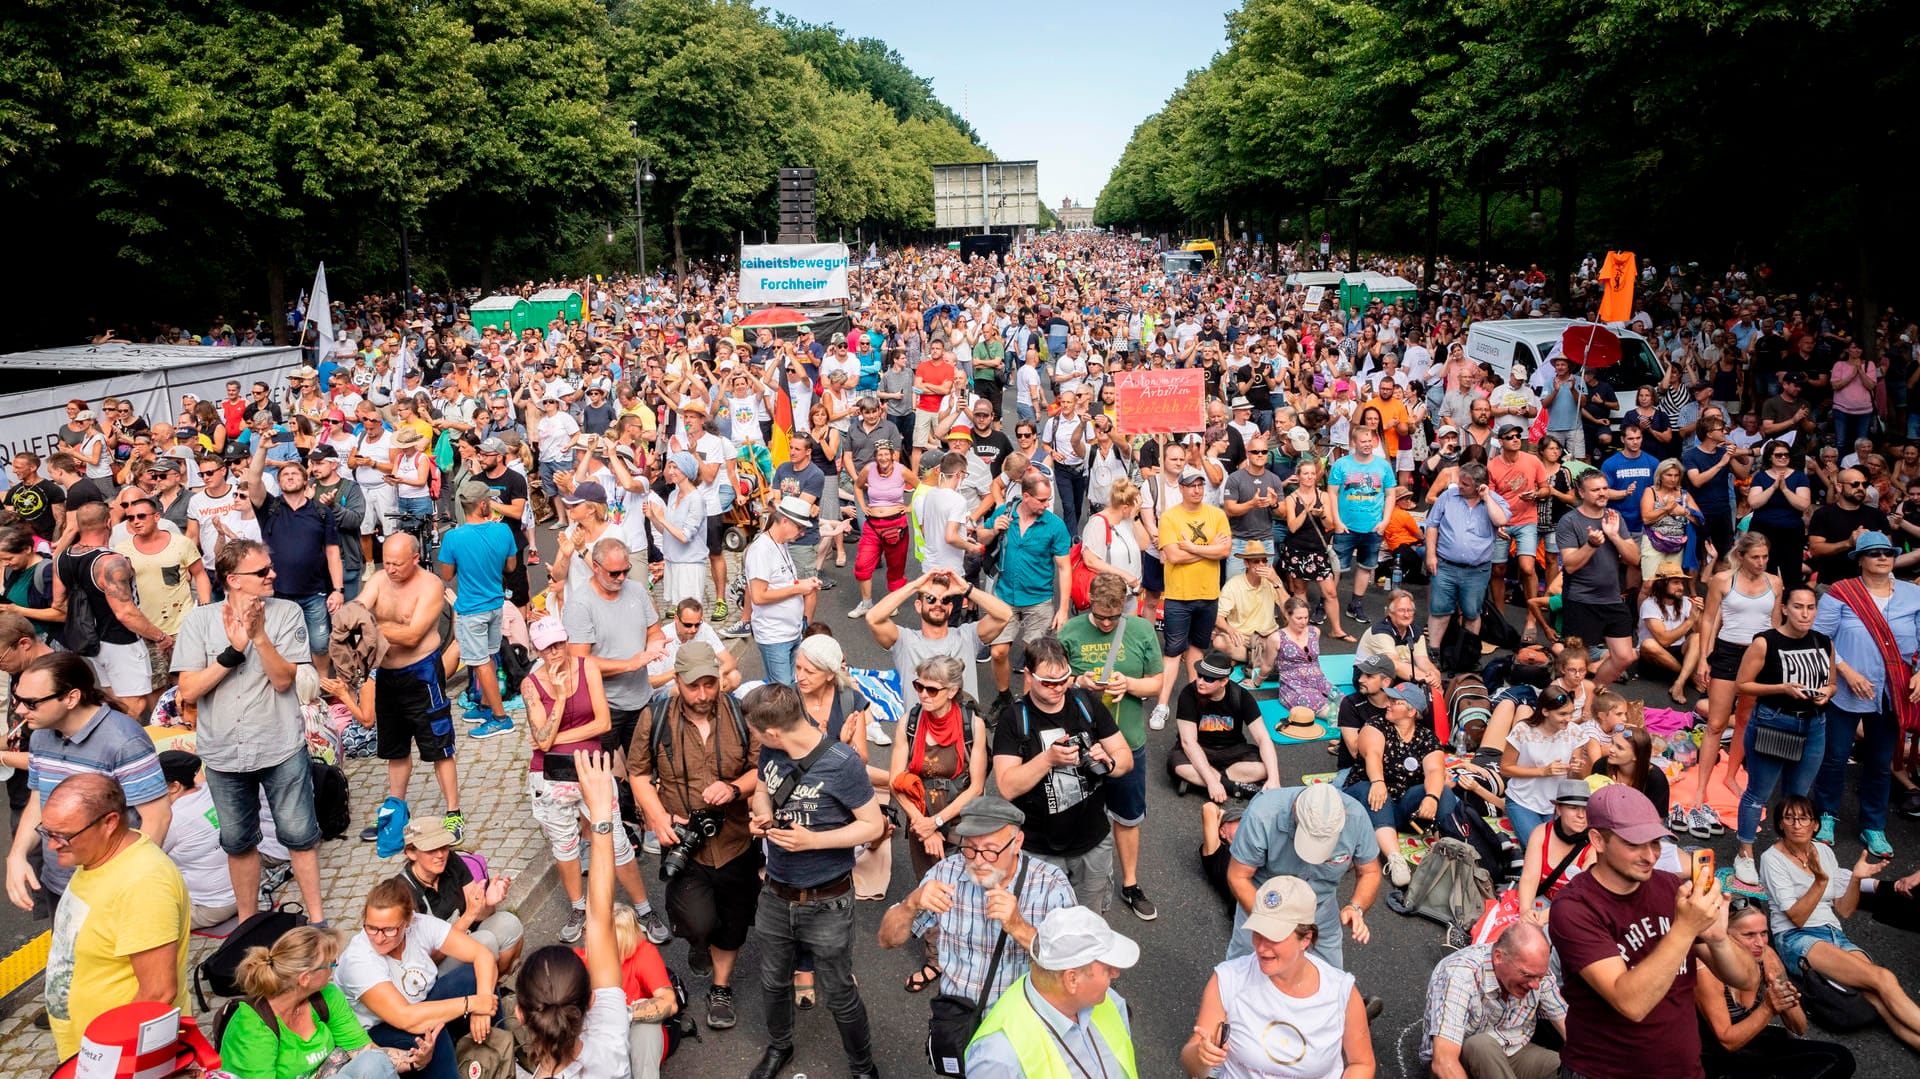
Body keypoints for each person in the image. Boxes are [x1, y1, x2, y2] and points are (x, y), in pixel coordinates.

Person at [1547, 784, 1758, 1079]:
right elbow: (1631, 1004)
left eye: (1656, 842)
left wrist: (1719, 938)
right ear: (1598, 840)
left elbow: (1748, 979)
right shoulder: (1574, 908)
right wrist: (1685, 928)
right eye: (1634, 844)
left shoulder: (1669, 887)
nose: (1651, 855)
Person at [171, 539, 326, 922]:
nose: (272, 574)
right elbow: (188, 690)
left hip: (279, 745)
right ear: (234, 580)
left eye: (269, 567)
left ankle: (318, 918)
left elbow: (283, 682)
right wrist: (231, 653)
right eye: (262, 572)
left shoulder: (287, 612)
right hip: (223, 753)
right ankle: (247, 923)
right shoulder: (199, 621)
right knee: (238, 843)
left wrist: (258, 637)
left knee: (300, 837)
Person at [742, 682, 886, 1079]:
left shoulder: (842, 763)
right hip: (775, 892)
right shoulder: (773, 749)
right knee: (773, 983)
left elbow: (874, 826)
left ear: (773, 730)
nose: (754, 738)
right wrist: (762, 814)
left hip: (828, 901)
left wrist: (813, 841)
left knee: (839, 992)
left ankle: (863, 1067)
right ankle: (780, 1047)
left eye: (754, 732)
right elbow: (761, 789)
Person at [627, 641, 758, 1030]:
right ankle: (699, 941)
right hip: (685, 841)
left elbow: (759, 769)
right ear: (678, 681)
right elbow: (637, 772)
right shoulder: (656, 717)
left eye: (709, 685)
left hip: (735, 839)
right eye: (693, 687)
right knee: (698, 920)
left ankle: (721, 987)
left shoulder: (739, 713)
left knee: (734, 923)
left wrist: (734, 789)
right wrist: (657, 816)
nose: (702, 695)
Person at [4, 654, 171, 917]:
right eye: (17, 700)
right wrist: (16, 855)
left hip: (112, 889)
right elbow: (39, 799)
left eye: (31, 703)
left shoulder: (123, 741)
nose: (21, 711)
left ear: (71, 698)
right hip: (59, 883)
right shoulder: (40, 737)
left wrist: (123, 883)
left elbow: (157, 819)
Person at [39, 773, 191, 1062]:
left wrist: (105, 1061)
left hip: (116, 1057)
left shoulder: (143, 883)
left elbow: (158, 992)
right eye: (47, 832)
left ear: (109, 823)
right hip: (88, 1048)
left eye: (63, 836)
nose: (52, 846)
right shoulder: (96, 858)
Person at [876, 794, 1077, 1005]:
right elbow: (887, 940)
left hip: (1017, 1017)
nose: (978, 861)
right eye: (970, 848)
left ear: (1017, 843)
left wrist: (1019, 927)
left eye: (991, 851)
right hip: (957, 1012)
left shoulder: (1051, 887)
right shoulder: (946, 873)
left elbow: (1074, 969)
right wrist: (910, 904)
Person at [506, 750, 632, 1079]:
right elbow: (601, 918)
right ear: (591, 1000)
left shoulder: (606, 1024)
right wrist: (601, 815)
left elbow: (599, 920)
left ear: (520, 1014)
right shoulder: (609, 1037)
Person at [1758, 794, 1920, 1050]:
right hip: (1797, 937)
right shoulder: (1772, 858)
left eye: (1803, 818)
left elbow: (1843, 910)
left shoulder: (1824, 851)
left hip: (1835, 934)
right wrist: (1820, 881)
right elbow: (1797, 918)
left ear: (1815, 825)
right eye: (1789, 818)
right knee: (1883, 978)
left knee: (1876, 996)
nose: (1796, 824)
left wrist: (1855, 878)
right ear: (1780, 825)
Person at [991, 636, 1134, 913]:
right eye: (1049, 682)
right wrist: (1047, 759)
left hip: (1092, 843)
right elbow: (1007, 787)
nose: (1059, 688)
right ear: (1029, 677)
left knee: (1089, 924)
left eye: (1065, 679)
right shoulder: (1014, 718)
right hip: (1037, 848)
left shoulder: (1084, 702)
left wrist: (1111, 761)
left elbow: (1125, 757)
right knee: (1039, 924)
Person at [1184, 875, 1374, 1079]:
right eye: (1258, 932)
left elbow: (1361, 1063)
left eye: (1274, 936)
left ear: (1306, 939)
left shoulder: (1340, 992)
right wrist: (1201, 1056)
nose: (1262, 947)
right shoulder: (1228, 979)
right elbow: (1192, 1062)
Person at [1057, 571, 1165, 922]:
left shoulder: (1141, 629)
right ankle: (1071, 881)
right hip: (1079, 745)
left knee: (1127, 817)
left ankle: (1130, 883)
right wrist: (1079, 682)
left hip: (1127, 743)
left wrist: (1130, 684)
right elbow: (1051, 683)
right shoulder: (1070, 631)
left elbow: (1157, 683)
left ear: (1124, 609)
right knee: (1073, 813)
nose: (1105, 623)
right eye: (1100, 616)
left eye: (1113, 617)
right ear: (1088, 602)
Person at [1811, 531, 1920, 858]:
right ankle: (1826, 816)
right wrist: (1846, 671)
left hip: (1894, 691)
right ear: (1860, 559)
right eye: (1873, 553)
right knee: (1835, 756)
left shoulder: (1912, 595)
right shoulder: (1841, 593)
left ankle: (1873, 825)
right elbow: (1820, 638)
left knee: (1880, 760)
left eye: (1887, 552)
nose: (1883, 558)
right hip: (1847, 690)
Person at [335, 876, 502, 1079]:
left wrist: (482, 1007)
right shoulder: (358, 960)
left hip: (421, 1005)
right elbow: (406, 1018)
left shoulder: (419, 924)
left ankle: (502, 1055)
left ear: (407, 921)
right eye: (371, 927)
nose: (379, 938)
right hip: (381, 1031)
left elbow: (481, 954)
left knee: (472, 977)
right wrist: (472, 1003)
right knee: (429, 1031)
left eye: (389, 929)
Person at [356, 533, 462, 839]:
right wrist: (351, 614)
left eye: (397, 564)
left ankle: (453, 813)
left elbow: (413, 635)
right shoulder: (378, 579)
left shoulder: (430, 585)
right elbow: (359, 607)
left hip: (422, 674)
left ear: (415, 559)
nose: (390, 569)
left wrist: (370, 626)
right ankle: (396, 810)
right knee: (395, 749)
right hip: (387, 675)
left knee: (439, 747)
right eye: (386, 562)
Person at [1728, 586, 1834, 887]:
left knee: (1798, 797)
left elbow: (1833, 684)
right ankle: (1745, 852)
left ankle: (1788, 852)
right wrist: (1782, 688)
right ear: (1785, 608)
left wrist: (1827, 693)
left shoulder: (1823, 642)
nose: (1805, 613)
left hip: (1813, 724)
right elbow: (1743, 685)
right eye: (1798, 607)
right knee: (1758, 793)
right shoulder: (1766, 642)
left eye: (1811, 607)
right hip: (1774, 722)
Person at [219, 924, 420, 1079]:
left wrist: (413, 1060)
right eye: (331, 964)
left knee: (373, 1061)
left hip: (334, 1073)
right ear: (305, 978)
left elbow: (362, 1050)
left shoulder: (326, 996)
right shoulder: (252, 1027)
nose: (334, 968)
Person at [965, 905, 1139, 1079]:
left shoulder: (1111, 1001)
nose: (1116, 973)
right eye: (1108, 969)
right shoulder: (998, 1058)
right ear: (1072, 979)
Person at [1695, 896, 1856, 1079]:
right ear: (1724, 936)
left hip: (1754, 1043)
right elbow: (1727, 1042)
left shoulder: (1765, 955)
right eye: (1749, 935)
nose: (1760, 943)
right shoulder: (1706, 970)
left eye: (1763, 933)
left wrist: (1784, 995)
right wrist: (1768, 1008)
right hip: (1717, 1057)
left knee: (1839, 1058)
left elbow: (1799, 1028)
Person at [1226, 783, 1382, 967]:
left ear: (1344, 817)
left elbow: (1370, 872)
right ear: (1294, 809)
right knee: (1245, 973)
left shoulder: (1357, 817)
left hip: (1320, 906)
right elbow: (1238, 876)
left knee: (1328, 977)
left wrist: (1355, 907)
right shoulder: (1262, 813)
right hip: (1265, 902)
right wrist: (1269, 922)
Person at [562, 536, 668, 779]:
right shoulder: (580, 604)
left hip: (641, 700)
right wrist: (630, 664)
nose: (621, 578)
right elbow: (580, 662)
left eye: (625, 570)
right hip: (604, 706)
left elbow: (654, 630)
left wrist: (655, 645)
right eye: (614, 573)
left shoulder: (637, 590)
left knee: (644, 770)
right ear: (596, 567)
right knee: (607, 775)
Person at [53, 502, 168, 718]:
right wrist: (159, 636)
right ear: (108, 523)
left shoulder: (62, 558)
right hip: (121, 641)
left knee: (113, 701)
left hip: (91, 643)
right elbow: (125, 613)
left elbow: (58, 603)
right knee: (134, 705)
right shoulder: (111, 562)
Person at [247, 433, 345, 679]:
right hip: (278, 593)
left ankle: (322, 684)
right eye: (284, 475)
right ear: (279, 483)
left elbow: (332, 552)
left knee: (321, 644)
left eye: (295, 474)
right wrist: (261, 449)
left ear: (306, 479)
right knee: (281, 644)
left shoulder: (322, 512)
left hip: (315, 593)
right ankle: (288, 687)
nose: (289, 477)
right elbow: (254, 479)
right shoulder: (269, 508)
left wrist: (338, 590)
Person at [1344, 682, 1456, 887]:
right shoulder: (1375, 724)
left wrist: (1432, 797)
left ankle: (1448, 853)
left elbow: (1434, 770)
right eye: (1390, 700)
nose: (1389, 704)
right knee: (1376, 792)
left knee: (1443, 791)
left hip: (1402, 803)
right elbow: (1373, 754)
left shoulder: (1426, 737)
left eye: (1396, 702)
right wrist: (1378, 781)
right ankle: (1395, 859)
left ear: (1412, 711)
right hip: (1367, 793)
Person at [1421, 921, 1563, 1079]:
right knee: (1481, 1046)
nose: (1535, 985)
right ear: (1498, 957)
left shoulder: (1535, 971)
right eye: (1527, 975)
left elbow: (1567, 1025)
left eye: (1540, 977)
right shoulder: (1460, 975)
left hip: (1512, 1052)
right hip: (1462, 1062)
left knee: (1566, 1068)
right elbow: (1443, 1063)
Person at [1150, 466, 1233, 733]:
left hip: (1208, 594)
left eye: (1200, 485)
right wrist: (1210, 550)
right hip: (1179, 595)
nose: (1197, 489)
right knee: (1173, 652)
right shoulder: (1170, 517)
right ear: (1182, 489)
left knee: (1197, 651)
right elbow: (1173, 556)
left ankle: (1198, 703)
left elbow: (1226, 550)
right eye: (1191, 485)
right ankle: (1162, 705)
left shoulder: (1217, 514)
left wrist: (1193, 547)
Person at [985, 469, 1074, 715]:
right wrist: (993, 531)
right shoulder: (1004, 513)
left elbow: (1064, 567)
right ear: (1026, 496)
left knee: (1033, 659)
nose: (1047, 505)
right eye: (1042, 500)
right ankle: (1004, 697)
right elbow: (980, 538)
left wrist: (1063, 608)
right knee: (998, 652)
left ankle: (1025, 712)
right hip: (1004, 597)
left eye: (1048, 500)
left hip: (1039, 600)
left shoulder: (1054, 525)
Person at [435, 480, 517, 735]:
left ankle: (500, 717)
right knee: (489, 656)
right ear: (482, 505)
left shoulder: (453, 538)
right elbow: (511, 567)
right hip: (496, 604)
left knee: (481, 662)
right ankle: (484, 706)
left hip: (471, 609)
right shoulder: (503, 531)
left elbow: (447, 575)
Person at [394, 816, 523, 974]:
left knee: (509, 923)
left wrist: (487, 903)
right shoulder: (402, 893)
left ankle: (494, 988)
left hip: (464, 939)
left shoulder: (452, 860)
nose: (441, 855)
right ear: (411, 853)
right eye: (431, 849)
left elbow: (480, 915)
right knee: (484, 941)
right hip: (431, 968)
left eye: (444, 846)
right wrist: (469, 915)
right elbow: (429, 957)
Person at [1555, 470, 1640, 687]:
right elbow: (1571, 565)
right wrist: (1591, 545)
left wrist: (1613, 535)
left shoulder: (1614, 517)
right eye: (1596, 490)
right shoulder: (1569, 521)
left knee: (1626, 656)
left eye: (1604, 488)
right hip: (1581, 600)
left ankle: (1594, 692)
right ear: (1581, 493)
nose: (1602, 493)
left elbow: (1634, 559)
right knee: (1575, 664)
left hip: (1611, 599)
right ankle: (1568, 701)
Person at [1424, 461, 1512, 653]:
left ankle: (1467, 653)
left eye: (1465, 484)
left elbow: (1501, 520)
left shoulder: (1494, 501)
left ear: (1480, 485)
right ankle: (1434, 651)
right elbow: (1432, 525)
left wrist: (1486, 497)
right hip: (1445, 565)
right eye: (1460, 482)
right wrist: (1430, 555)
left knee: (1472, 613)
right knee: (1440, 611)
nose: (1460, 486)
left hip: (1476, 571)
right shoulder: (1448, 496)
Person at [1171, 649, 1280, 799]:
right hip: (1200, 749)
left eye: (1208, 679)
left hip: (1232, 751)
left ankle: (1199, 782)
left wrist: (1274, 780)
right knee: (1177, 765)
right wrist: (1211, 782)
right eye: (1199, 675)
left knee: (1265, 768)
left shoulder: (1241, 696)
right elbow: (1188, 742)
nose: (1200, 682)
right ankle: (1232, 786)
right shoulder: (1188, 694)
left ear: (1224, 681)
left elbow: (1263, 739)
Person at [745, 495, 822, 684]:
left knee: (795, 689)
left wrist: (803, 583)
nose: (801, 533)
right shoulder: (761, 550)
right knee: (783, 694)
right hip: (774, 636)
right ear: (785, 521)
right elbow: (759, 596)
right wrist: (798, 589)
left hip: (791, 631)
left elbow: (780, 583)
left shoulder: (781, 544)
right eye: (800, 527)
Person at [1328, 426, 1398, 625]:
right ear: (1354, 443)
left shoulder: (1383, 466)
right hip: (1346, 526)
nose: (1367, 445)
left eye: (1370, 441)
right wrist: (1337, 521)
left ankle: (1355, 604)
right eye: (1363, 441)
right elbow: (1332, 493)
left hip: (1373, 527)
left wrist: (1385, 522)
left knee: (1366, 567)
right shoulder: (1341, 465)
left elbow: (1391, 494)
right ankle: (1327, 602)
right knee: (1336, 568)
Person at [850, 439, 916, 618]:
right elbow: (857, 486)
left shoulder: (902, 470)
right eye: (880, 454)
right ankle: (866, 603)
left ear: (893, 455)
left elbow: (921, 488)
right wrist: (862, 506)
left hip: (896, 525)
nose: (884, 458)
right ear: (875, 456)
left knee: (896, 568)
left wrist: (909, 507)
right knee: (862, 565)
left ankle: (892, 603)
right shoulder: (868, 469)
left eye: (887, 454)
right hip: (873, 525)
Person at [1514, 781, 1595, 923]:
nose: (1581, 815)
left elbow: (1581, 895)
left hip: (1578, 909)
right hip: (1544, 900)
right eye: (1573, 807)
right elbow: (1529, 878)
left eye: (1585, 809)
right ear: (1558, 809)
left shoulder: (1594, 844)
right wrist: (1525, 911)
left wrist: (1543, 918)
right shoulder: (1541, 833)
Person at [1213, 542, 1284, 688]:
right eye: (1256, 561)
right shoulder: (1233, 585)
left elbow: (1290, 611)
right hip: (1244, 639)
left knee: (1288, 640)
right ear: (1246, 563)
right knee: (1219, 642)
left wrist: (1277, 582)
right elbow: (1218, 618)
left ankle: (1249, 659)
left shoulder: (1272, 582)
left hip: (1269, 637)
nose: (1261, 564)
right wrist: (1231, 630)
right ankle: (1264, 660)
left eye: (1264, 560)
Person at [1746, 439, 1812, 588]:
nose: (1783, 457)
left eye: (1786, 455)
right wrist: (1773, 487)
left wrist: (1784, 489)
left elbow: (1803, 504)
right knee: (1763, 571)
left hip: (1791, 531)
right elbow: (1754, 503)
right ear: (1770, 457)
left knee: (1791, 572)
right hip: (1763, 530)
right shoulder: (1760, 477)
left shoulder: (1800, 477)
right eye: (1779, 455)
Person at [1638, 565, 1701, 704]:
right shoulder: (1650, 604)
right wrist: (1689, 621)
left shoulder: (1685, 602)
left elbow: (1700, 633)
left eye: (1681, 582)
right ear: (1662, 584)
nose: (1681, 587)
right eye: (1675, 582)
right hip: (1654, 659)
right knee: (1649, 644)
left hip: (1678, 652)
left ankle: (1679, 682)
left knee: (1697, 638)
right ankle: (1690, 675)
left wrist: (1699, 613)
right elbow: (1664, 641)